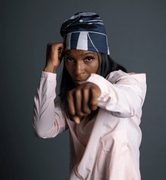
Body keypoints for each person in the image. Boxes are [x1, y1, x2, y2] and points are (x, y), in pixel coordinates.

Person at [32, 12, 147, 180]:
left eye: (88, 58)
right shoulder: (71, 97)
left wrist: (98, 88)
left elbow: (130, 103)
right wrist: (49, 69)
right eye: (70, 60)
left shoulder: (123, 82)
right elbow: (43, 129)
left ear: (102, 58)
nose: (78, 70)